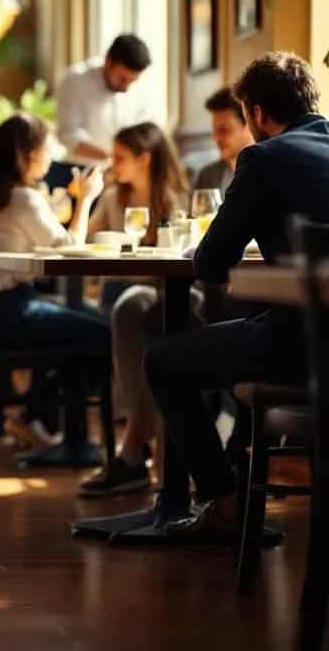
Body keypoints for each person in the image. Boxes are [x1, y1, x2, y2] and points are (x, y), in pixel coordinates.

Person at [146, 52, 328, 541]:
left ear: (257, 114)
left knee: (164, 359)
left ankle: (224, 502)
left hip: (300, 344)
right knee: (242, 331)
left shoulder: (263, 158)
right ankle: (240, 478)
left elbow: (209, 264)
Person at [0, 114, 107, 449]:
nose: (51, 157)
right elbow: (68, 250)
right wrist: (84, 198)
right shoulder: (23, 198)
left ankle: (38, 418)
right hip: (15, 311)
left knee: (74, 331)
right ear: (27, 154)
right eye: (46, 149)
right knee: (104, 335)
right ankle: (40, 421)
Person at [75, 123, 190, 497]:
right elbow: (87, 242)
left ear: (145, 159)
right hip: (123, 292)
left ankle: (133, 451)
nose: (112, 163)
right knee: (127, 303)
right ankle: (143, 450)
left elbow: (183, 251)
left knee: (141, 313)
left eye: (120, 157)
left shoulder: (171, 200)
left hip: (164, 293)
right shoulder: (112, 197)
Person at [56, 34, 163, 166]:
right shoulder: (75, 80)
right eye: (122, 78)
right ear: (108, 60)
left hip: (126, 171)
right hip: (81, 170)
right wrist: (115, 158)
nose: (127, 86)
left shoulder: (142, 89)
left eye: (133, 80)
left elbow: (148, 131)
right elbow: (68, 135)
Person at [193, 87, 256, 193]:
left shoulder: (271, 172)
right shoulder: (207, 176)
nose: (215, 138)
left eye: (224, 130)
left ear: (248, 125)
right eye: (215, 130)